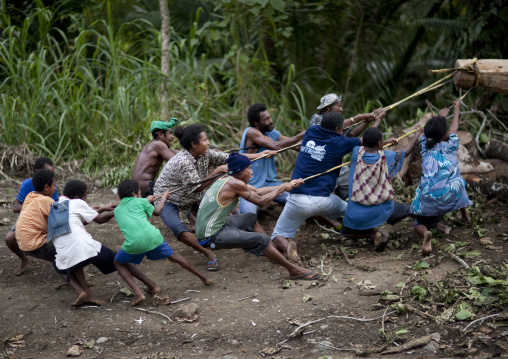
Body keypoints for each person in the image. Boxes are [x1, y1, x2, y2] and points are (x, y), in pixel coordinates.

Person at [153, 124, 276, 271]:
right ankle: (208, 252)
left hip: (191, 195)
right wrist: (217, 171)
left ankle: (256, 243)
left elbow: (231, 158)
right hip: (169, 198)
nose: (208, 143)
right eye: (205, 140)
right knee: (179, 230)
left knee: (224, 212)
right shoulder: (183, 162)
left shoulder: (205, 153)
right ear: (194, 144)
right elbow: (196, 187)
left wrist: (260, 155)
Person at [270, 112, 384, 263]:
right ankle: (373, 232)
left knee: (277, 235)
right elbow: (368, 139)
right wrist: (376, 120)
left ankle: (288, 246)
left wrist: (362, 118)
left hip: (297, 200)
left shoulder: (311, 131)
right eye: (342, 129)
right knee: (349, 209)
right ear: (337, 129)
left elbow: (348, 125)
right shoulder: (340, 142)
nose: (344, 131)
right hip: (324, 201)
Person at [195, 153, 319, 280]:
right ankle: (294, 271)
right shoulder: (235, 184)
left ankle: (276, 253)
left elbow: (258, 191)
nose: (252, 172)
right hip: (210, 236)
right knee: (260, 239)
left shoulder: (227, 179)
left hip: (213, 226)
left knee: (250, 218)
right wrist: (281, 188)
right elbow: (261, 201)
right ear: (240, 171)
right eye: (249, 168)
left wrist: (288, 185)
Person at [50, 180, 159, 307]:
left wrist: (101, 209)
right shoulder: (77, 202)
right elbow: (100, 220)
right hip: (86, 246)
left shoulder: (55, 207)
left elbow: (75, 221)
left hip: (64, 257)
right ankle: (151, 286)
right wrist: (119, 209)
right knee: (120, 260)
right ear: (77, 197)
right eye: (85, 197)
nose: (85, 200)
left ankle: (83, 293)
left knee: (71, 260)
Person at [114, 179, 213, 306]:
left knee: (118, 262)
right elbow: (157, 212)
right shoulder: (141, 201)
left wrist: (147, 200)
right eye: (139, 192)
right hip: (153, 237)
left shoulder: (117, 210)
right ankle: (205, 278)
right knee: (174, 257)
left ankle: (140, 293)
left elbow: (131, 210)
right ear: (134, 193)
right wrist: (164, 198)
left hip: (133, 243)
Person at [340, 126, 422, 251]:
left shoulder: (356, 152)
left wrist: (387, 141)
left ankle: (373, 234)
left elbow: (369, 147)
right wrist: (416, 135)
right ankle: (431, 222)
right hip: (384, 210)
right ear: (379, 143)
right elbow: (406, 151)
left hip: (356, 215)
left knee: (345, 232)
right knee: (410, 210)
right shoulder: (387, 156)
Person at [410, 99, 473, 256]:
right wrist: (455, 110)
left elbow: (433, 132)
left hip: (428, 201)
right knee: (458, 180)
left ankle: (425, 233)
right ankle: (465, 214)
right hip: (447, 198)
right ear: (444, 134)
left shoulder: (424, 146)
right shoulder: (451, 145)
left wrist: (439, 118)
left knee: (418, 219)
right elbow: (454, 128)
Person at [310, 93, 379, 200]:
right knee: (325, 196)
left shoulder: (338, 122)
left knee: (357, 185)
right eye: (338, 106)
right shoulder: (317, 119)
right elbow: (359, 140)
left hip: (338, 167)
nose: (341, 109)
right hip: (322, 167)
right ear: (328, 107)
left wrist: (366, 121)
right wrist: (359, 117)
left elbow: (353, 133)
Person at [238, 103, 305, 214]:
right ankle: (236, 213)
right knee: (248, 216)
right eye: (266, 119)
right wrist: (301, 135)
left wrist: (313, 144)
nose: (270, 121)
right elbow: (276, 145)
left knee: (298, 202)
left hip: (271, 184)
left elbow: (295, 145)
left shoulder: (272, 133)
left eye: (270, 117)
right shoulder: (251, 132)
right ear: (256, 122)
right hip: (250, 185)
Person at [4, 157, 59, 275]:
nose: (51, 175)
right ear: (37, 171)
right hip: (29, 214)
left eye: (52, 173)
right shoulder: (27, 184)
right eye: (49, 172)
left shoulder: (52, 186)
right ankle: (24, 259)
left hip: (45, 214)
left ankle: (61, 261)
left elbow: (55, 208)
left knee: (59, 239)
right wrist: (33, 207)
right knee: (9, 238)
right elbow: (15, 207)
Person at [131, 119, 180, 197]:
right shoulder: (159, 144)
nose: (172, 137)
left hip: (139, 188)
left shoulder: (154, 145)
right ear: (160, 134)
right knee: (179, 190)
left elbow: (174, 152)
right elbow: (177, 161)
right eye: (170, 133)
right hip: (146, 189)